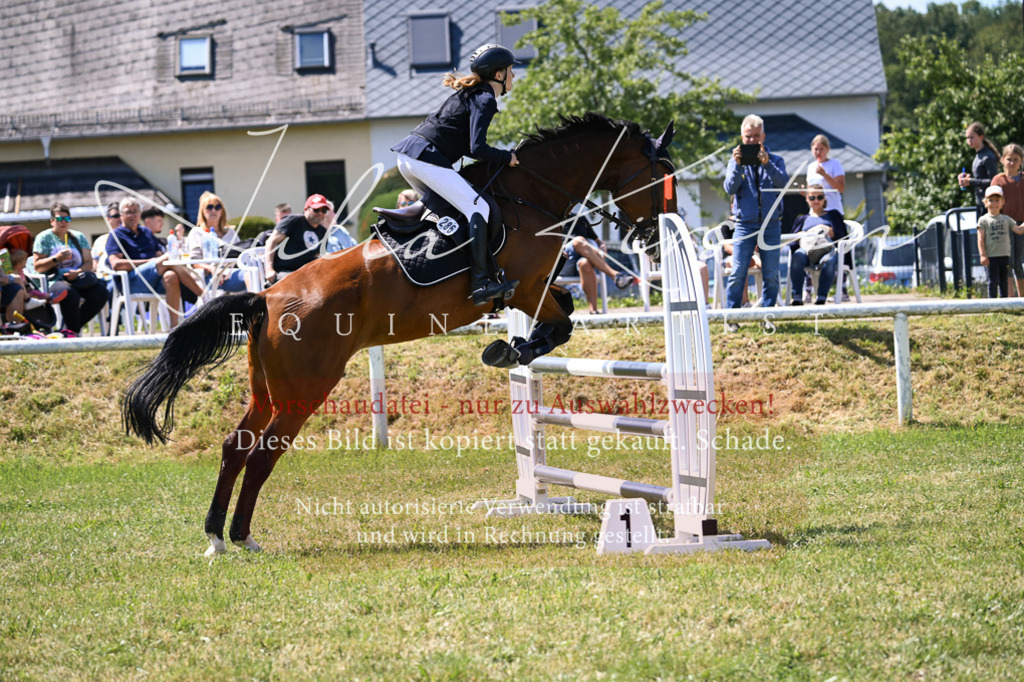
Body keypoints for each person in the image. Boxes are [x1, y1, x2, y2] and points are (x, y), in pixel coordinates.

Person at [390, 43, 521, 306]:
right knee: (479, 209)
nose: (513, 76)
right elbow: (477, 148)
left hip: (410, 156)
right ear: (498, 75)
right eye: (510, 70)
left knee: (451, 212)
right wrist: (507, 157)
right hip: (425, 159)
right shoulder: (485, 99)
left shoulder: (474, 93)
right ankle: (481, 282)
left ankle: (446, 268)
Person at [722, 114, 789, 322]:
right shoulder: (735, 162)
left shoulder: (776, 160)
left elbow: (783, 183)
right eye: (748, 137)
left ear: (763, 136)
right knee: (738, 271)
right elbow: (729, 188)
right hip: (744, 224)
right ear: (742, 137)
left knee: (770, 273)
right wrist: (738, 165)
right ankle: (732, 318)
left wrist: (767, 163)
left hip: (771, 225)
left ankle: (767, 316)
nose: (752, 140)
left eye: (756, 136)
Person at [105, 196, 204, 328]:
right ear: (121, 215)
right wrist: (150, 262)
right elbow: (116, 264)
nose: (132, 215)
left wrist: (159, 261)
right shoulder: (116, 235)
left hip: (155, 279)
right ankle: (204, 297)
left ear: (140, 214)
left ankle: (174, 328)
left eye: (135, 211)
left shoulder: (146, 232)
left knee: (171, 276)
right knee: (167, 260)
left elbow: (160, 255)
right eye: (128, 212)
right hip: (131, 281)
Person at [31, 202, 109, 335]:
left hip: (77, 278)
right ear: (52, 221)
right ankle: (72, 331)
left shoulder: (78, 237)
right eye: (59, 219)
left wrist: (77, 272)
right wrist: (56, 259)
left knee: (100, 292)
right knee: (70, 293)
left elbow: (89, 263)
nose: (63, 222)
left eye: (67, 219)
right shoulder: (44, 238)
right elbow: (38, 266)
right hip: (53, 280)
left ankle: (70, 328)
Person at [788, 185, 848, 305]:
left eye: (819, 197)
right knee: (797, 256)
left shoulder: (833, 215)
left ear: (824, 199)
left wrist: (832, 233)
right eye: (812, 197)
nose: (816, 201)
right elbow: (792, 242)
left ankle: (821, 297)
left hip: (826, 250)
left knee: (830, 260)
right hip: (806, 251)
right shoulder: (802, 219)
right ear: (807, 199)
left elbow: (844, 238)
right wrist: (801, 235)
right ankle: (797, 297)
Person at [558, 224, 636, 314]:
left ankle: (593, 311)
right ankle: (615, 275)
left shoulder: (580, 219)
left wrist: (602, 245)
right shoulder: (551, 215)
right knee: (578, 240)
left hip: (581, 258)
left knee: (585, 263)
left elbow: (598, 240)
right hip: (562, 259)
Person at [187, 191, 246, 293]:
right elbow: (194, 262)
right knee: (249, 276)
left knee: (254, 273)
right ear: (202, 212)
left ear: (222, 211)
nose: (213, 210)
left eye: (217, 207)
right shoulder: (196, 232)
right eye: (209, 207)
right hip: (210, 276)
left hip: (232, 271)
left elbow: (241, 255)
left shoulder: (230, 232)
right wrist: (212, 269)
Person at [264, 194, 329, 284]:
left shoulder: (323, 232)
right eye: (316, 210)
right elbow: (271, 242)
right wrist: (269, 269)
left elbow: (317, 256)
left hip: (308, 274)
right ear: (306, 209)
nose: (320, 213)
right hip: (284, 271)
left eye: (324, 210)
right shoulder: (293, 220)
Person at [977, 186, 1024, 299]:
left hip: (1004, 255)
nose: (994, 203)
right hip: (991, 257)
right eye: (991, 200)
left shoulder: (1006, 219)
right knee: (993, 281)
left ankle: (1004, 304)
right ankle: (992, 304)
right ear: (985, 202)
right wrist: (983, 255)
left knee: (1004, 281)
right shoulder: (983, 220)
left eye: (997, 200)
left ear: (1003, 202)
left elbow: (1018, 230)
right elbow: (980, 238)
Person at [991, 143, 1024, 297]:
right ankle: (1009, 300)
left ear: (1021, 161)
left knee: (1019, 263)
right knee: (1008, 263)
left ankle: (1022, 299)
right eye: (1009, 159)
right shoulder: (998, 180)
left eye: (1015, 159)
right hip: (1004, 224)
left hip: (1022, 224)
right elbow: (992, 205)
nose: (1012, 163)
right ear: (1003, 159)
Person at [958, 122, 1000, 218]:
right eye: (967, 138)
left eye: (972, 137)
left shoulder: (987, 156)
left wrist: (971, 181)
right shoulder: (978, 155)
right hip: (981, 203)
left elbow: (993, 182)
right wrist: (967, 179)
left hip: (990, 205)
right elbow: (980, 177)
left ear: (981, 137)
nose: (969, 140)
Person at [806, 134, 845, 214]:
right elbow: (810, 191)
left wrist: (824, 175)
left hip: (832, 209)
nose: (818, 152)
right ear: (811, 149)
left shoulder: (835, 164)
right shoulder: (811, 166)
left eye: (821, 149)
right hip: (815, 212)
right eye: (816, 149)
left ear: (828, 149)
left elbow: (840, 188)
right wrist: (804, 192)